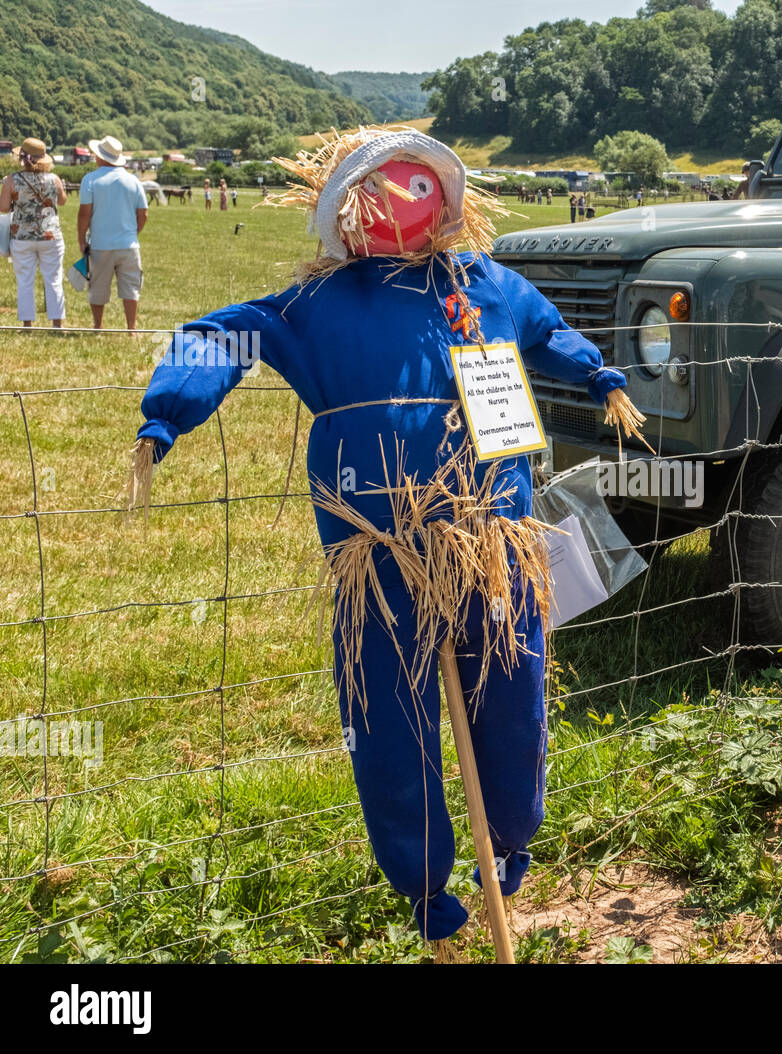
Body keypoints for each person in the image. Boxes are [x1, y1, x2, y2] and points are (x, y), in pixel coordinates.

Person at [127, 127, 645, 952]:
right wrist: (169, 412)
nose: (405, 199)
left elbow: (546, 331)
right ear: (344, 211)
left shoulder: (488, 286)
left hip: (493, 542)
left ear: (447, 198)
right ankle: (422, 884)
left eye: (419, 183)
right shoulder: (316, 304)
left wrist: (600, 375)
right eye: (382, 186)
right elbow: (223, 333)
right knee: (388, 719)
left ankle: (506, 843)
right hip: (376, 555)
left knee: (510, 693)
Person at [77, 135, 148, 331]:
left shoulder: (90, 180)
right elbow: (143, 214)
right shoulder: (133, 181)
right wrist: (134, 233)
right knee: (131, 289)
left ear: (100, 157)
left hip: (100, 244)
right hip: (129, 244)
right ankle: (131, 328)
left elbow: (84, 214)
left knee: (97, 287)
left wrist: (81, 240)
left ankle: (98, 326)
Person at [0, 138, 67, 329]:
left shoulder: (12, 180)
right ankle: (57, 324)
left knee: (25, 281)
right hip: (51, 235)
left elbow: (3, 208)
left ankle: (27, 324)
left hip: (22, 236)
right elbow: (62, 201)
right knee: (54, 279)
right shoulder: (54, 179)